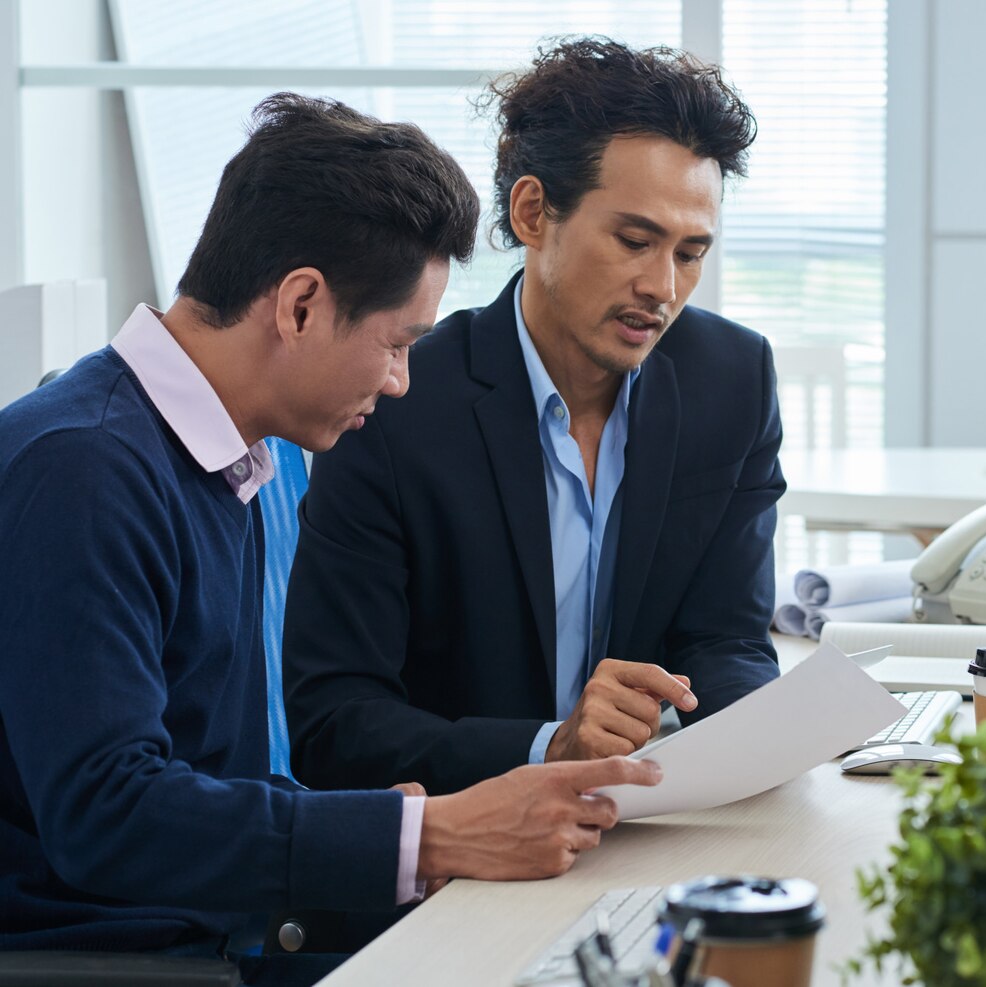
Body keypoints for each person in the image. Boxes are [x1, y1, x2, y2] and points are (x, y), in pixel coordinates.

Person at [0, 94, 657, 985]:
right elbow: (108, 813)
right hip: (130, 959)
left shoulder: (226, 458)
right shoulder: (84, 468)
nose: (400, 382)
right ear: (301, 304)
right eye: (397, 343)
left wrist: (390, 826)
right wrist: (429, 836)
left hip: (225, 933)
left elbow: (202, 773)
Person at [283, 37, 784, 796]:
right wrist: (550, 747)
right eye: (635, 240)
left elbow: (729, 640)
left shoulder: (732, 382)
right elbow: (333, 723)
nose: (663, 286)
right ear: (532, 212)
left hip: (650, 825)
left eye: (690, 253)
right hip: (459, 855)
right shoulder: (396, 403)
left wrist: (766, 727)